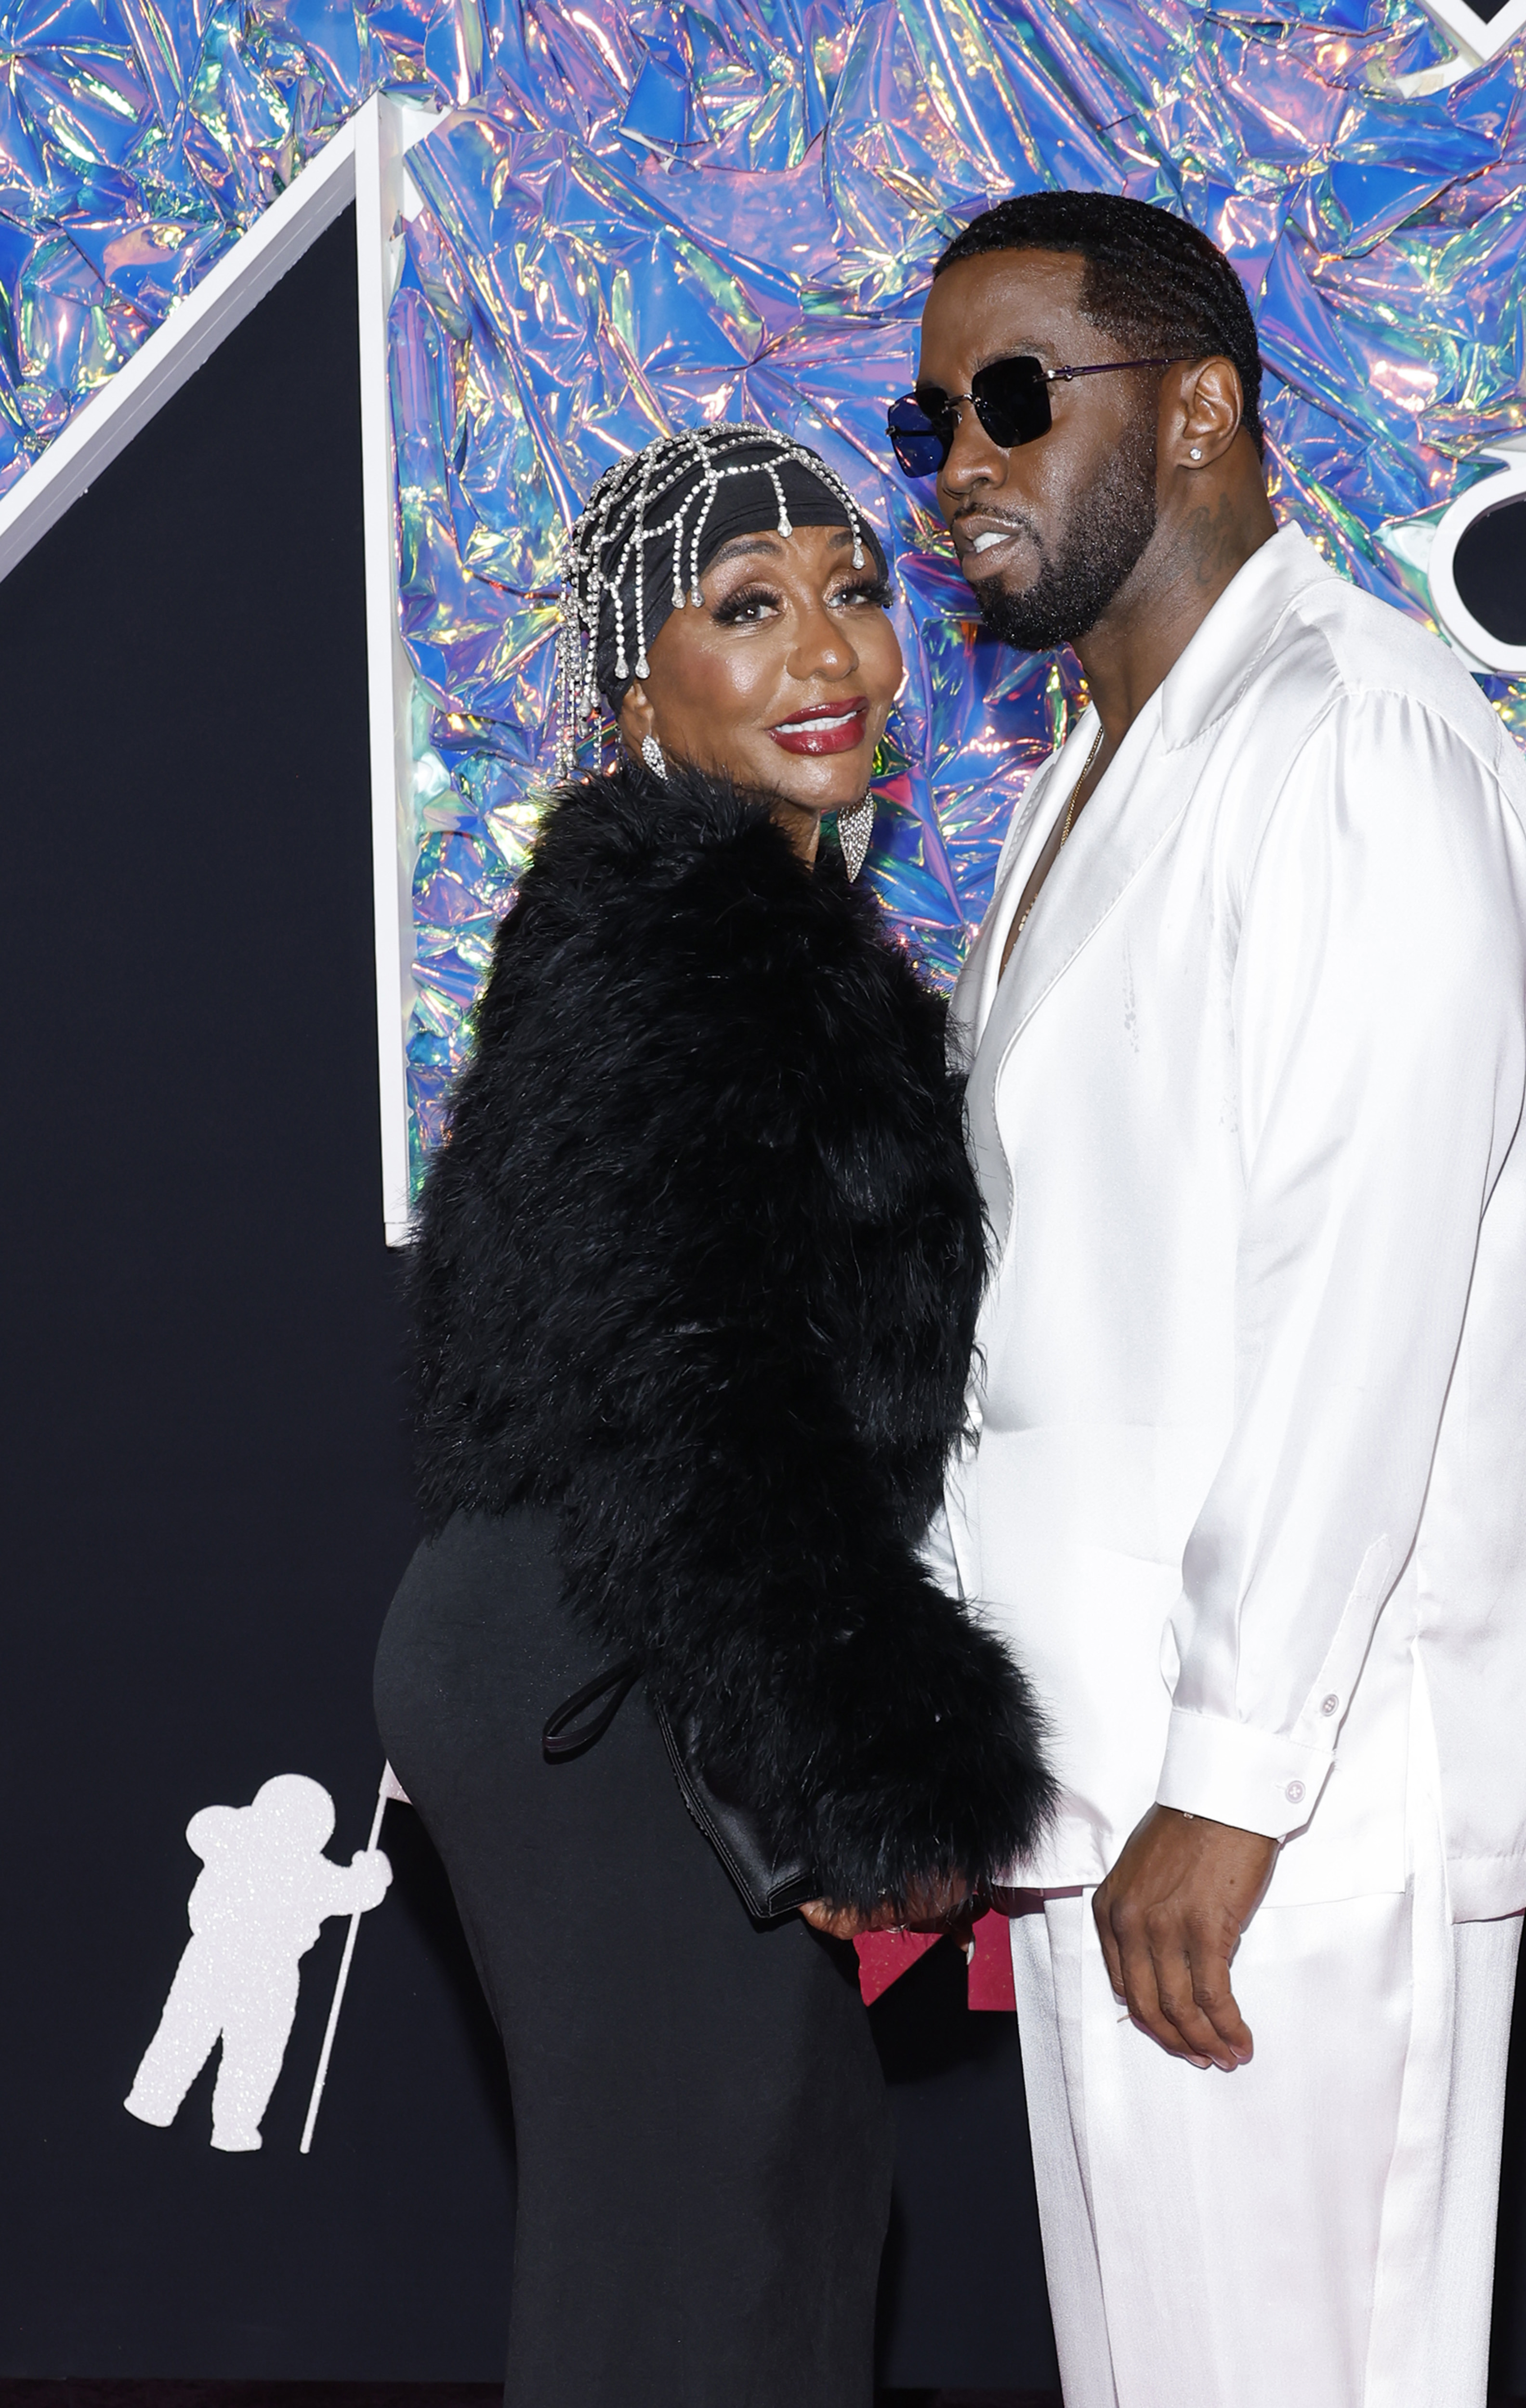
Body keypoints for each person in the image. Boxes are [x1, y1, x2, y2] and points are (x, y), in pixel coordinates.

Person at [886, 192, 1526, 2408]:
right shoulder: (1084, 781)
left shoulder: (1358, 749)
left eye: (1012, 397)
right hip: (1098, 1785)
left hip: (1289, 1807)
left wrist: (1227, 1783)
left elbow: (1353, 1306)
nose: (960, 467)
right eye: (928, 423)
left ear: (1198, 413)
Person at [374, 424, 1051, 2408]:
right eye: (744, 610)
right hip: (612, 1652)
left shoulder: (737, 919)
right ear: (630, 679)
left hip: (616, 1625)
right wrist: (857, 1760)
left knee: (769, 2192)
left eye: (852, 588)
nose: (826, 648)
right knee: (700, 2232)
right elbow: (694, 1397)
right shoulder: (689, 940)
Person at [123, 1772, 391, 2152]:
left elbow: (355, 1894)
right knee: (213, 2041)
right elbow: (201, 1828)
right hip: (231, 1959)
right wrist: (371, 1875)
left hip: (251, 1965)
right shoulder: (251, 1845)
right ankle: (178, 2107)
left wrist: (371, 1877)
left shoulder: (274, 1855)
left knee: (237, 2048)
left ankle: (200, 2115)